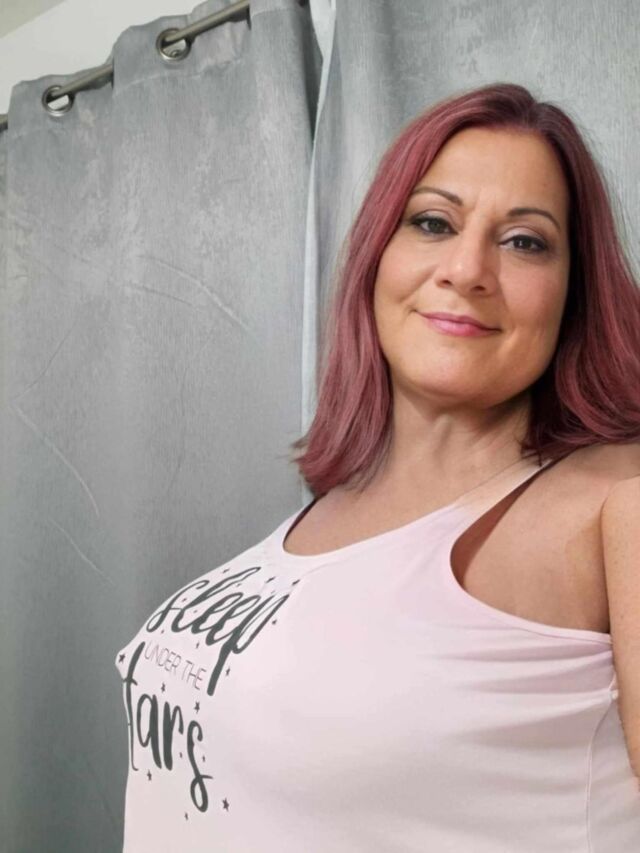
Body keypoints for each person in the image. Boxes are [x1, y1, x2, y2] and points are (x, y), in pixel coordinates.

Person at [115, 82, 640, 852]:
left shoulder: (617, 498)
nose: (467, 268)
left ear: (575, 293)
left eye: (525, 241)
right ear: (376, 256)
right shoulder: (324, 506)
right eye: (433, 222)